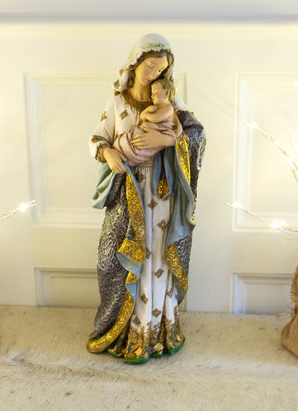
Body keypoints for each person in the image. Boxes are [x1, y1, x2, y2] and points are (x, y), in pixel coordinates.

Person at [87, 33, 206, 364]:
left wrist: (171, 141)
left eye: (160, 69)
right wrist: (109, 153)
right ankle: (120, 329)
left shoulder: (170, 103)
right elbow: (96, 138)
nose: (153, 73)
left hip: (162, 193)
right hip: (128, 191)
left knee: (156, 257)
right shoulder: (117, 103)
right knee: (111, 259)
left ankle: (152, 330)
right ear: (135, 63)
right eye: (150, 65)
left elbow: (195, 135)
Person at [113, 78, 182, 166]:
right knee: (134, 136)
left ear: (167, 93)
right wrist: (146, 112)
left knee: (139, 140)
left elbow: (155, 118)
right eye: (151, 93)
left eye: (156, 93)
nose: (152, 96)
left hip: (157, 134)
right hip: (146, 131)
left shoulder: (168, 108)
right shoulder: (156, 108)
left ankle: (127, 149)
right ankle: (122, 146)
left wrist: (147, 114)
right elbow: (142, 117)